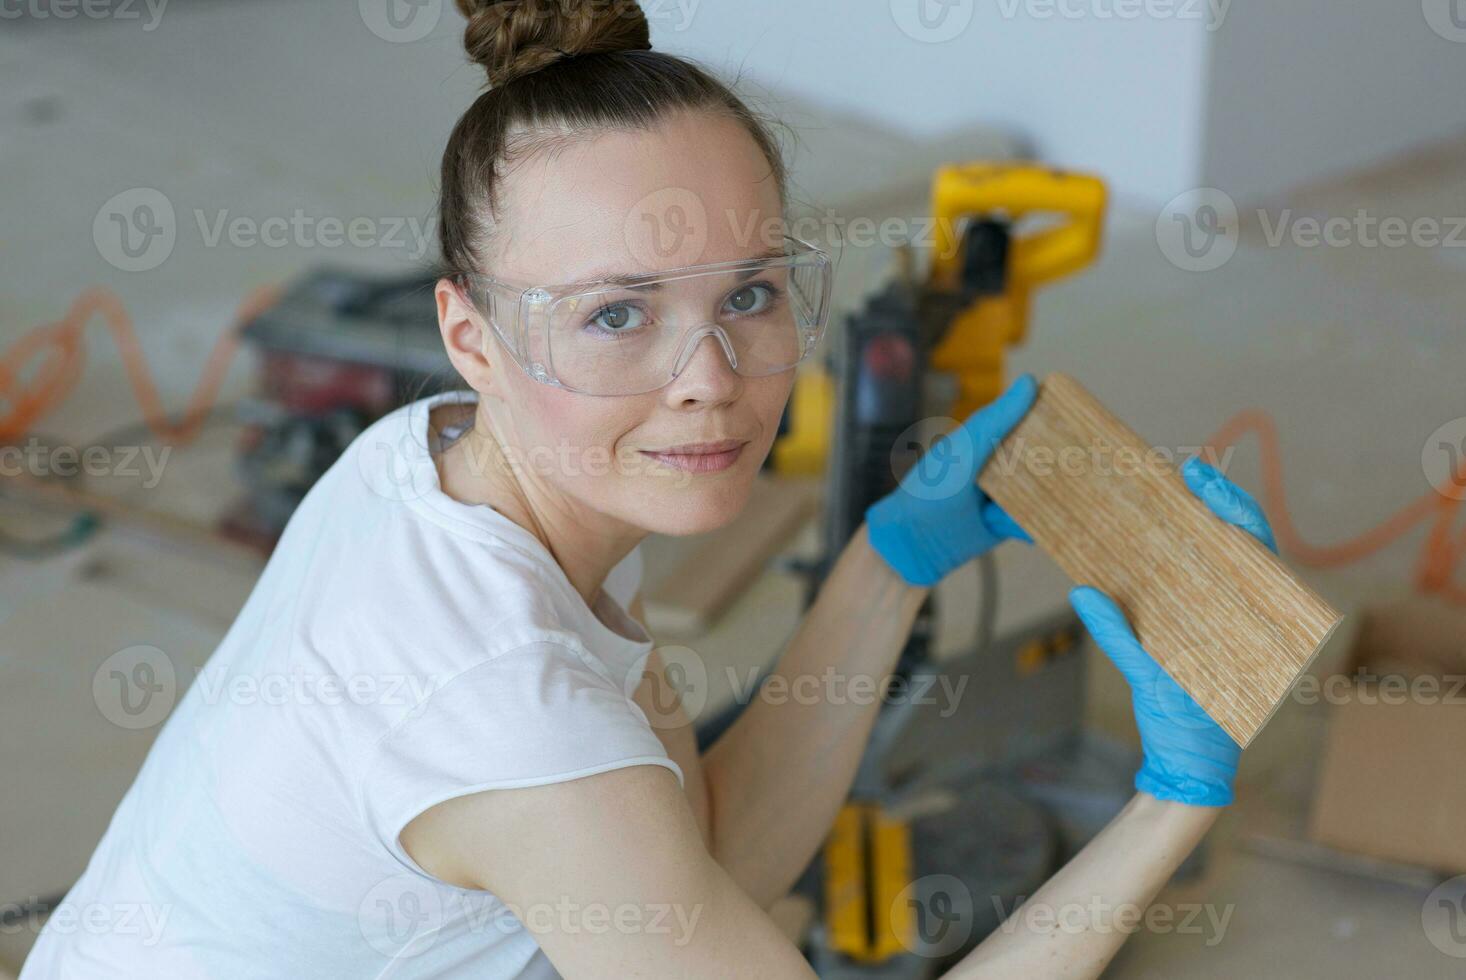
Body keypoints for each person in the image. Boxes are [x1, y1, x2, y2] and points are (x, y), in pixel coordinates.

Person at [21, 1, 1279, 976]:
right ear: (470, 335)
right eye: (617, 313)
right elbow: (599, 804)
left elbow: (699, 855)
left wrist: (888, 563)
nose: (710, 380)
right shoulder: (513, 715)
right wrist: (1170, 806)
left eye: (747, 293)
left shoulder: (450, 457)